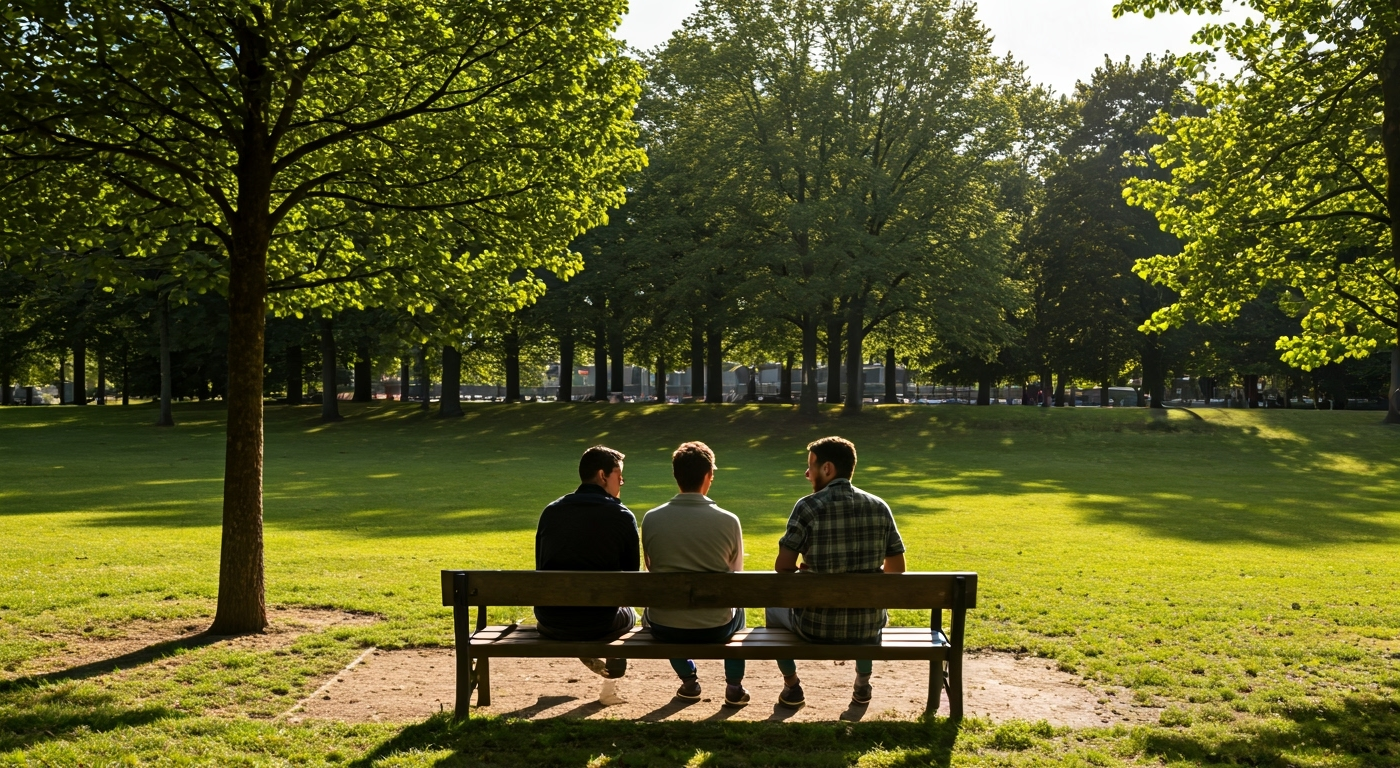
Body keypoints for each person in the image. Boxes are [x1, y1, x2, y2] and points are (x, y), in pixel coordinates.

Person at [767, 436, 906, 709]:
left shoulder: (807, 507)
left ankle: (792, 686)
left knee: (773, 604)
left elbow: (782, 567)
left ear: (827, 469)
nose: (807, 474)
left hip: (815, 626)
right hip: (868, 627)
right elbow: (897, 569)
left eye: (811, 467)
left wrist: (810, 573)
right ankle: (863, 682)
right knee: (866, 608)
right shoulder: (879, 507)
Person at [641, 442, 750, 707]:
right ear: (708, 475)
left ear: (676, 475)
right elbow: (736, 573)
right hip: (716, 628)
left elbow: (651, 568)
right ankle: (734, 686)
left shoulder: (651, 519)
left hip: (666, 627)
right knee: (740, 606)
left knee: (655, 609)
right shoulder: (728, 520)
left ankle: (689, 682)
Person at [534, 445, 639, 705]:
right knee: (630, 614)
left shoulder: (551, 512)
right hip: (599, 622)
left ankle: (588, 648)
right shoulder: (621, 516)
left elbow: (541, 567)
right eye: (619, 476)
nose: (621, 483)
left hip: (551, 619)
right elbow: (631, 581)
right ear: (603, 476)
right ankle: (613, 675)